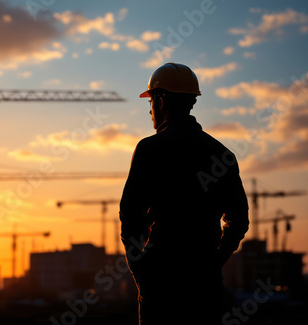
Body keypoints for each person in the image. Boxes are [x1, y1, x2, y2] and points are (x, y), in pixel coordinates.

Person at [119, 62, 249, 325]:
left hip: (160, 282)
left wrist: (141, 271)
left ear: (162, 100)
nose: (150, 110)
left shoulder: (150, 150)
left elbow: (130, 218)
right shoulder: (221, 154)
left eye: (151, 101)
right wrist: (214, 263)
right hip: (204, 286)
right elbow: (239, 221)